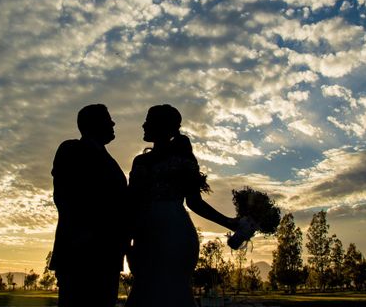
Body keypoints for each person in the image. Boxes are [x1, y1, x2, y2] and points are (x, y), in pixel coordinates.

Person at [125, 104, 241, 307]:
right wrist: (128, 243)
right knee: (145, 287)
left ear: (161, 126)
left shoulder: (182, 161)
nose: (143, 125)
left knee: (173, 287)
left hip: (176, 232)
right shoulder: (140, 161)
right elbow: (131, 205)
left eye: (148, 121)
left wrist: (229, 222)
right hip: (147, 232)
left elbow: (195, 202)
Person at [49, 104, 128, 307]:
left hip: (108, 252)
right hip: (80, 249)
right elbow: (65, 197)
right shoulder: (71, 149)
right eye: (108, 119)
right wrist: (88, 233)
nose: (113, 123)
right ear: (92, 124)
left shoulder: (111, 161)